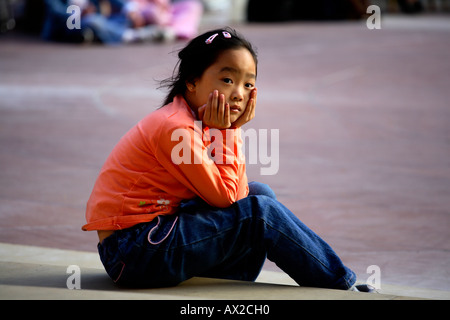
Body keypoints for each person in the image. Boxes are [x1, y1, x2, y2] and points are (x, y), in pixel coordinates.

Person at [83, 27, 374, 292]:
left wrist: (225, 131)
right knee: (260, 212)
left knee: (261, 195)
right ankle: (340, 286)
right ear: (192, 81)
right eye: (227, 80)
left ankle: (227, 282)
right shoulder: (175, 128)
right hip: (133, 250)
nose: (238, 94)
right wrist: (229, 131)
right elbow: (227, 198)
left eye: (248, 85)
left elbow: (236, 195)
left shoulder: (193, 119)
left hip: (151, 237)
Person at [123, 0, 203, 41]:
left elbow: (166, 5)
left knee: (192, 5)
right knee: (152, 12)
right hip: (145, 12)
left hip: (168, 13)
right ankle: (161, 31)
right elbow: (131, 6)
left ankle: (172, 31)